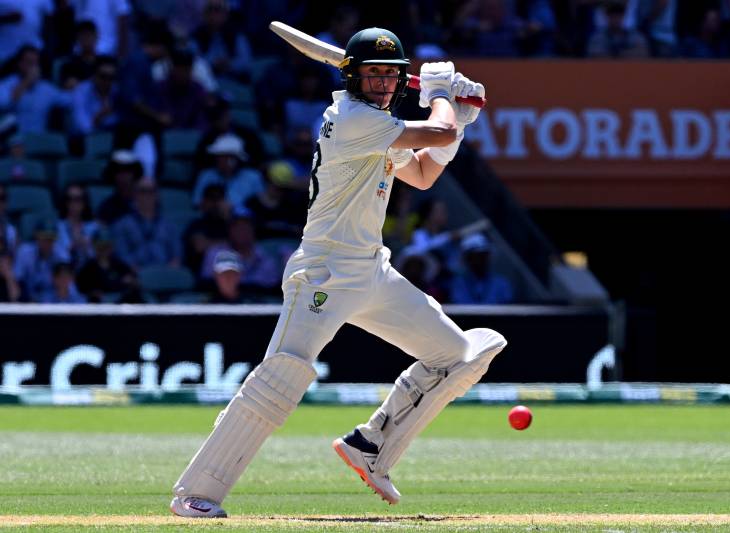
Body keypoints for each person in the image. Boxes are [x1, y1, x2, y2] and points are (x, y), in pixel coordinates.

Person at [170, 27, 505, 519]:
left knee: (455, 356)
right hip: (324, 273)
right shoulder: (352, 118)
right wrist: (440, 95)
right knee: (281, 377)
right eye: (373, 75)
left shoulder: (379, 123)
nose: (385, 84)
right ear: (352, 78)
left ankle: (371, 447)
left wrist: (457, 118)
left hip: (372, 269)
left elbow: (424, 172)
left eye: (391, 75)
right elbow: (440, 130)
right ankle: (195, 494)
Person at [449, 233, 513, 304]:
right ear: (467, 259)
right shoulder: (458, 284)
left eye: (483, 256)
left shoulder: (501, 284)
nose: (479, 261)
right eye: (475, 257)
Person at [54, 184, 100, 268]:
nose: (73, 203)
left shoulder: (94, 227)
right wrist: (75, 245)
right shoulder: (57, 227)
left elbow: (100, 258)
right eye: (69, 199)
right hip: (66, 273)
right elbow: (59, 256)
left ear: (85, 202)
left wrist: (87, 248)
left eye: (78, 199)